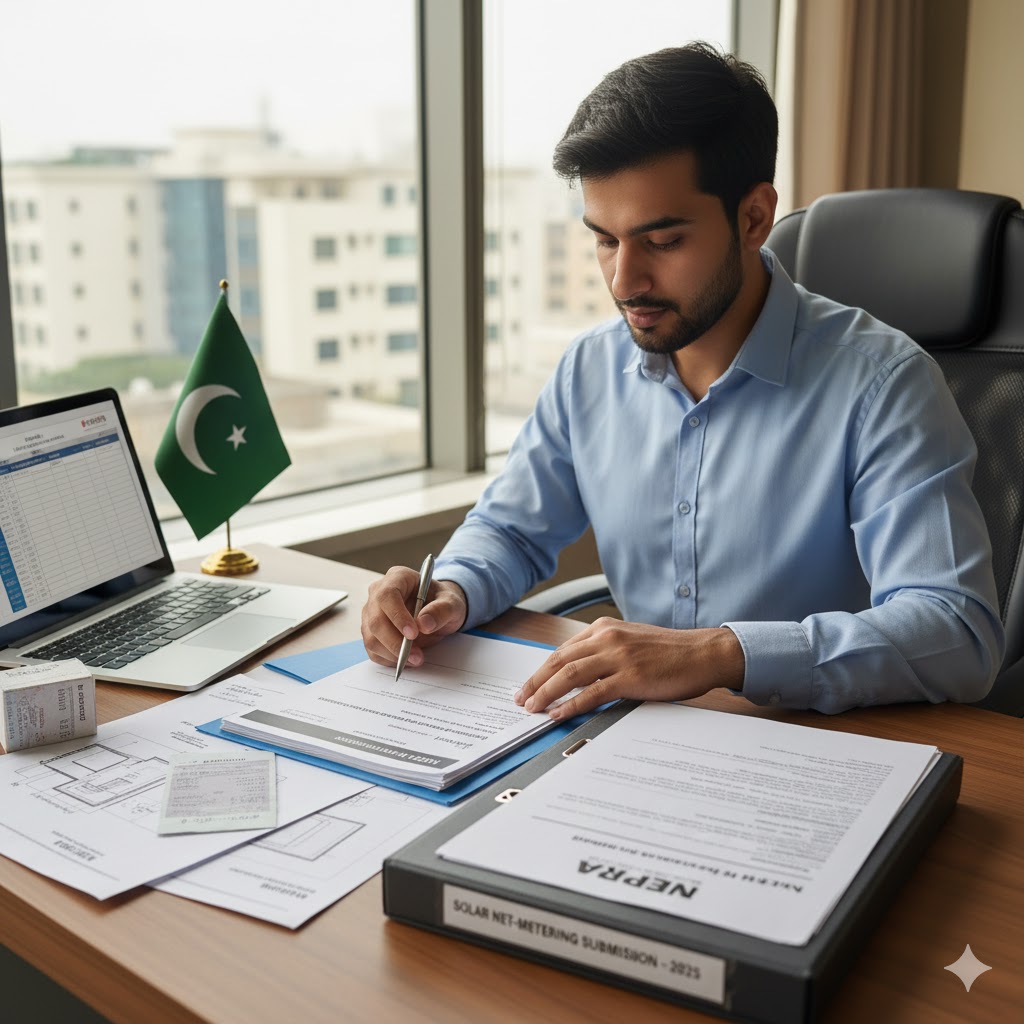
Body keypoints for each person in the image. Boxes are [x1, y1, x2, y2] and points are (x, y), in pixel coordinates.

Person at [361, 42, 1004, 717]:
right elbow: (512, 531)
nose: (622, 281)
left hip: (821, 748)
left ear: (754, 217)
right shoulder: (590, 369)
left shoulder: (884, 384)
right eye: (605, 238)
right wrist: (449, 591)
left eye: (662, 242)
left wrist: (718, 655)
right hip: (635, 740)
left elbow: (956, 630)